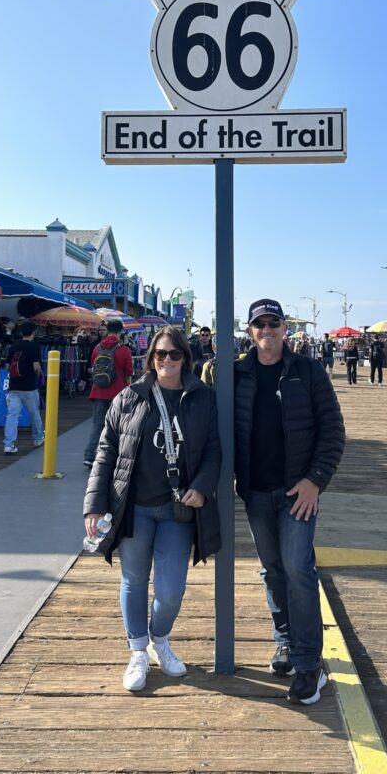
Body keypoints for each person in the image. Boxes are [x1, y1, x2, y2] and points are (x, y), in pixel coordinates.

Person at [83, 325, 221, 692]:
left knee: (171, 589)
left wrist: (202, 488)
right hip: (134, 506)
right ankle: (138, 651)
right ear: (151, 358)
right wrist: (93, 506)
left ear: (185, 358)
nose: (167, 361)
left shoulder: (202, 398)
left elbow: (213, 450)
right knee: (134, 579)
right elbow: (105, 453)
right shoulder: (129, 397)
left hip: (177, 508)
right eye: (161, 354)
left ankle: (160, 638)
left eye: (175, 354)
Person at [234, 299, 344, 706]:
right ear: (250, 331)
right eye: (259, 324)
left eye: (274, 322)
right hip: (255, 492)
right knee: (272, 571)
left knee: (299, 569)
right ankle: (284, 641)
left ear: (285, 329)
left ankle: (308, 662)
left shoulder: (308, 371)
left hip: (298, 492)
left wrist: (315, 481)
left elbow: (333, 431)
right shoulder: (236, 373)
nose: (267, 329)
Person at [84, 319, 134, 467]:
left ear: (107, 329)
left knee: (98, 425)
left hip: (98, 391)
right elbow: (128, 373)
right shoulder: (124, 350)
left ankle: (89, 456)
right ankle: (114, 455)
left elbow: (94, 367)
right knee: (118, 425)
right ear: (120, 331)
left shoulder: (97, 348)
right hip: (118, 393)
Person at [3, 320, 44, 454]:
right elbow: (36, 367)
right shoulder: (34, 347)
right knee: (34, 413)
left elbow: (7, 367)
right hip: (29, 386)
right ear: (34, 332)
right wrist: (39, 374)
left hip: (14, 386)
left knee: (12, 415)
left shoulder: (13, 346)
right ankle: (38, 438)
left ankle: (9, 444)